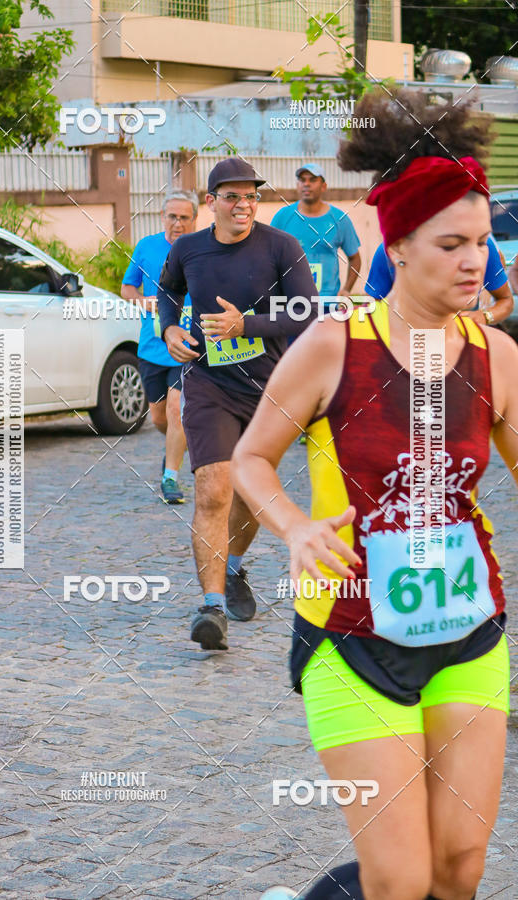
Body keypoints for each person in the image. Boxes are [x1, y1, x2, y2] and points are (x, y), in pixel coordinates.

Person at [232, 91, 518, 900]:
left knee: (460, 868)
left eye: (483, 241)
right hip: (350, 638)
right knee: (399, 878)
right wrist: (292, 526)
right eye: (453, 244)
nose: (477, 262)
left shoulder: (496, 355)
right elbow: (254, 459)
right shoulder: (333, 347)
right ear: (398, 244)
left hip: (468, 630)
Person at [157, 157, 316, 651]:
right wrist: (169, 328)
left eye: (251, 196)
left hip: (270, 389)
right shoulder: (188, 249)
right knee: (212, 489)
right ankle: (211, 607)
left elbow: (308, 313)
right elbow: (167, 291)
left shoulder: (281, 246)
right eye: (232, 196)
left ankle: (233, 568)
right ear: (212, 203)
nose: (243, 204)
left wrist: (247, 326)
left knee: (248, 497)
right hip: (208, 383)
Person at [121, 190, 197, 503]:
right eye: (172, 216)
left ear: (194, 219)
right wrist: (143, 302)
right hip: (152, 346)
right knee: (159, 418)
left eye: (184, 217)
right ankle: (177, 447)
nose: (177, 223)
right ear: (162, 217)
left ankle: (171, 476)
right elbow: (127, 287)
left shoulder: (202, 249)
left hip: (188, 344)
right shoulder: (146, 247)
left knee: (176, 409)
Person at [365, 236, 514, 325]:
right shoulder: (389, 250)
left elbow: (506, 300)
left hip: (464, 351)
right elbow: (373, 309)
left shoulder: (483, 247)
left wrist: (485, 316)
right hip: (407, 353)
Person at [270, 162, 361, 302]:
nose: (306, 184)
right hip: (291, 302)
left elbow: (355, 258)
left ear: (324, 186)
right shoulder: (283, 217)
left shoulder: (339, 219)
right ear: (297, 185)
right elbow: (269, 256)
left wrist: (347, 289)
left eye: (312, 180)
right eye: (302, 180)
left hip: (327, 303)